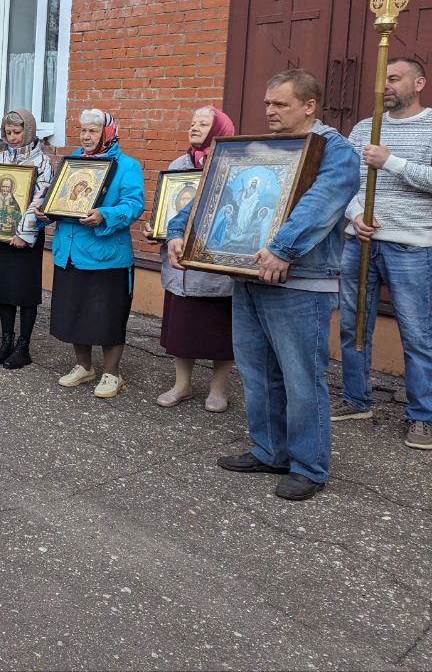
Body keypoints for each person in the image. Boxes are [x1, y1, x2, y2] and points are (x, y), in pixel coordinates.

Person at [169, 69, 359, 501]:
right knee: (257, 372)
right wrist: (181, 231)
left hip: (300, 282)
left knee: (301, 378)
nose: (269, 111)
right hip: (248, 275)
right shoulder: (261, 149)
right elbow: (216, 191)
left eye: (280, 104)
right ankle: (269, 450)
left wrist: (282, 249)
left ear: (309, 106)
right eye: (267, 103)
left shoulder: (336, 151)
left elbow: (321, 203)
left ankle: (309, 466)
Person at [335, 56, 432, 450]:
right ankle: (357, 400)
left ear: (419, 83)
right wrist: (356, 214)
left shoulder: (430, 127)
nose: (386, 85)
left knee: (417, 333)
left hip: (411, 243)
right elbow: (343, 180)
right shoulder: (363, 128)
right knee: (353, 325)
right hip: (361, 242)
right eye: (383, 79)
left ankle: (422, 416)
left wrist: (389, 161)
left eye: (394, 78)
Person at [41, 109, 144, 399]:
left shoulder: (126, 166)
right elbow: (55, 197)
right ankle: (84, 366)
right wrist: (44, 211)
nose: (86, 137)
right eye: (83, 131)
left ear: (108, 133)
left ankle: (113, 373)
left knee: (107, 315)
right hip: (71, 251)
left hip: (106, 257)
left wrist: (105, 214)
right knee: (75, 312)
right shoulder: (72, 162)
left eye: (93, 131)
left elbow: (134, 205)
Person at [151, 106, 237, 411]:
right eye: (192, 122)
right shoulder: (180, 163)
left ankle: (218, 389)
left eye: (203, 123)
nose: (195, 127)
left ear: (219, 130)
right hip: (180, 264)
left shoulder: (233, 167)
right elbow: (168, 208)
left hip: (214, 266)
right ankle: (182, 385)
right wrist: (158, 228)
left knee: (219, 331)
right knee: (182, 330)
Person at [0, 108, 52, 369]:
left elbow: (41, 199)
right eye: (8, 132)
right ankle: (6, 341)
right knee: (4, 292)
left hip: (25, 240)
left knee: (25, 293)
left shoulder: (42, 163)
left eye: (17, 132)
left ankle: (23, 346)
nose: (12, 137)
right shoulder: (0, 157)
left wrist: (24, 233)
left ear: (28, 131)